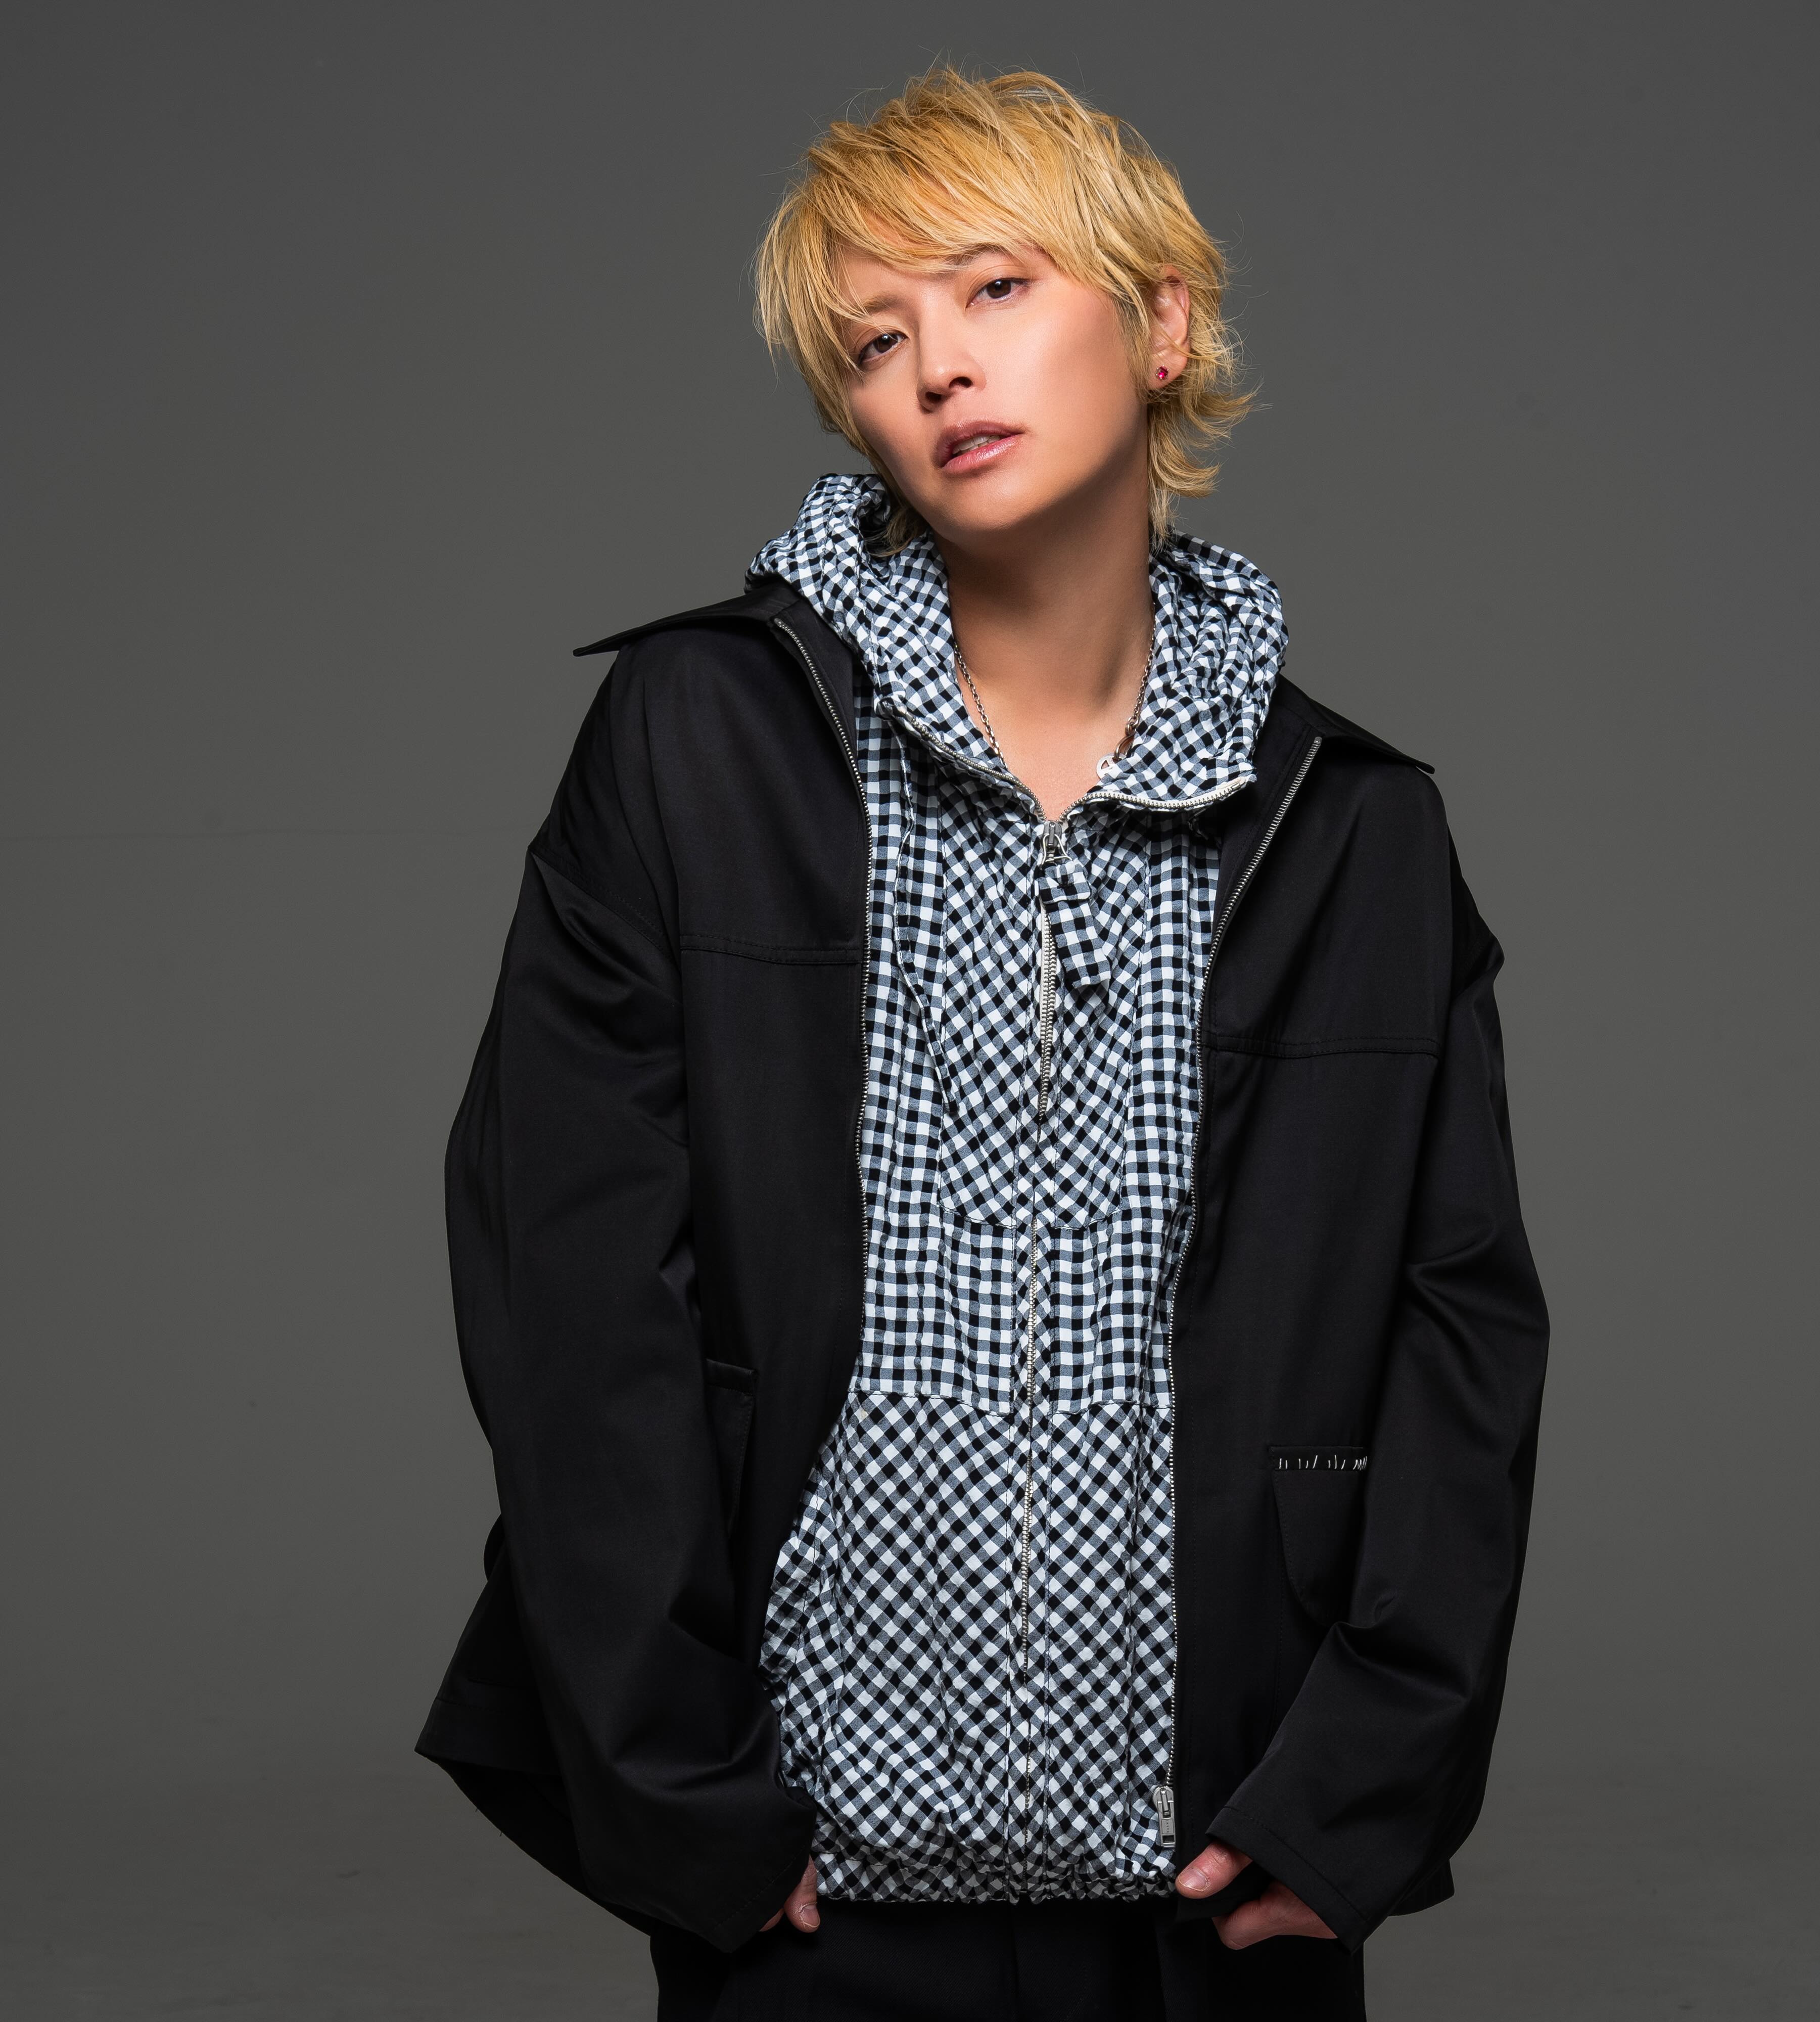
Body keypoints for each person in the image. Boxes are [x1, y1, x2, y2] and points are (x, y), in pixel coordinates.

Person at [416, 67, 1549, 2021]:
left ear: (1164, 322)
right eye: (877, 340)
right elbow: (569, 1281)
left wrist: (1355, 1796)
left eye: (997, 288)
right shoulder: (697, 743)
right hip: (800, 1891)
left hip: (1211, 1881)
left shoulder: (1355, 828)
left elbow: (1464, 1336)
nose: (939, 365)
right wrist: (683, 1796)